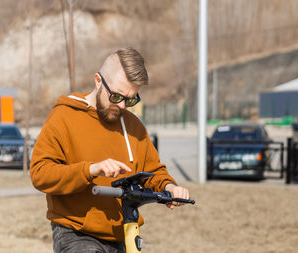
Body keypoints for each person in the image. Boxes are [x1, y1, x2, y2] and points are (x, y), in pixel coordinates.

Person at [30, 47, 190, 253]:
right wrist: (90, 170)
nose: (123, 106)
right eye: (116, 96)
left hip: (124, 233)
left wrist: (169, 187)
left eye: (131, 99)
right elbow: (40, 174)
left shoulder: (134, 127)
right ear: (98, 80)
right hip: (76, 234)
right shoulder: (64, 117)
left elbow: (153, 171)